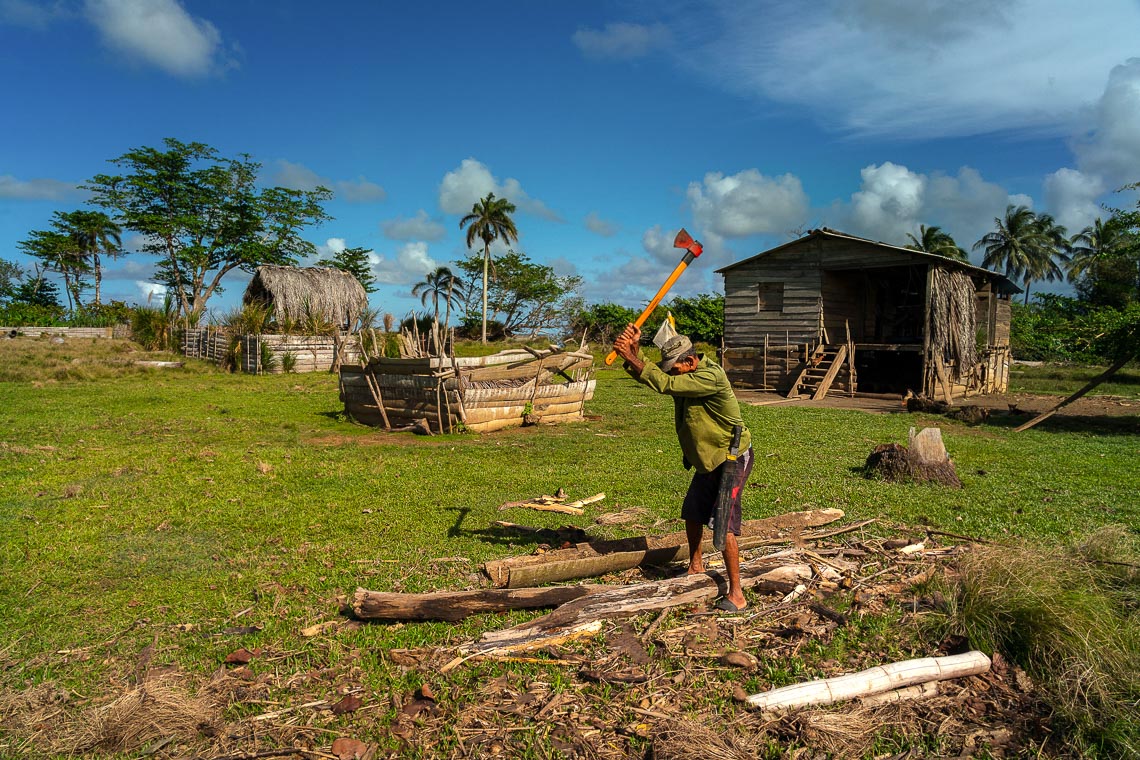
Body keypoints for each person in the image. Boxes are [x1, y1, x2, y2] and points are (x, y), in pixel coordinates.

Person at [612, 323, 754, 611]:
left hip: (730, 458)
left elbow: (665, 384)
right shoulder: (687, 374)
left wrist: (630, 356)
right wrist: (635, 352)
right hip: (706, 460)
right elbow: (657, 379)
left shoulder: (710, 377)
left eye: (674, 368)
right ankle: (696, 565)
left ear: (689, 361)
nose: (672, 373)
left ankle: (737, 594)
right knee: (692, 512)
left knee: (723, 523)